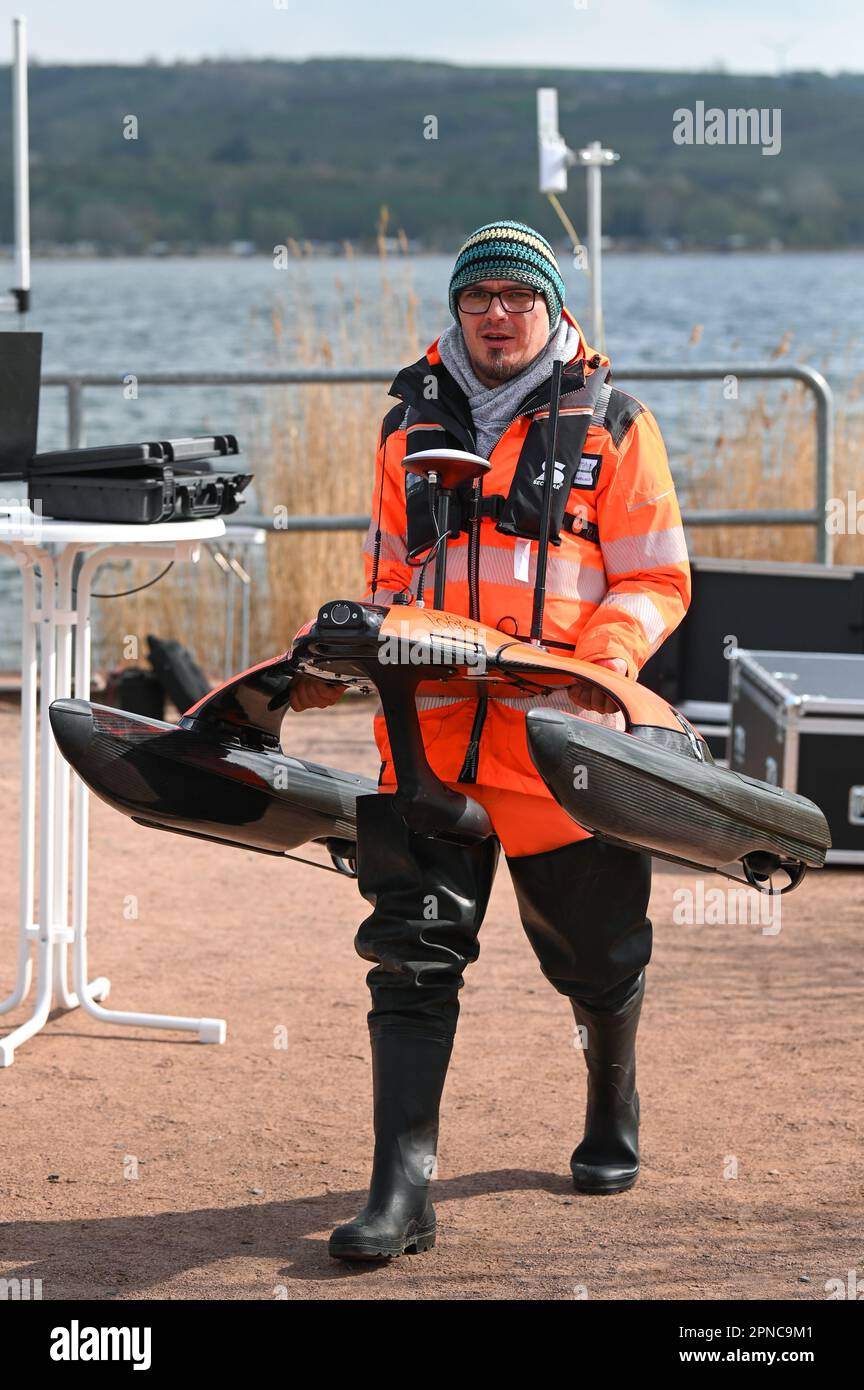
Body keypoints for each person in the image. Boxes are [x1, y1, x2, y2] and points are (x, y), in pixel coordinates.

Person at [290, 219, 691, 1261]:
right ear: (458, 314)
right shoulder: (402, 428)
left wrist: (598, 673)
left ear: (552, 309)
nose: (498, 316)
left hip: (565, 745)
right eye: (479, 301)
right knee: (411, 957)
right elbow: (386, 580)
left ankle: (612, 1098)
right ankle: (400, 1192)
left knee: (598, 958)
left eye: (517, 298)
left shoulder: (617, 421)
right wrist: (338, 645)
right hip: (425, 747)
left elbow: (657, 578)